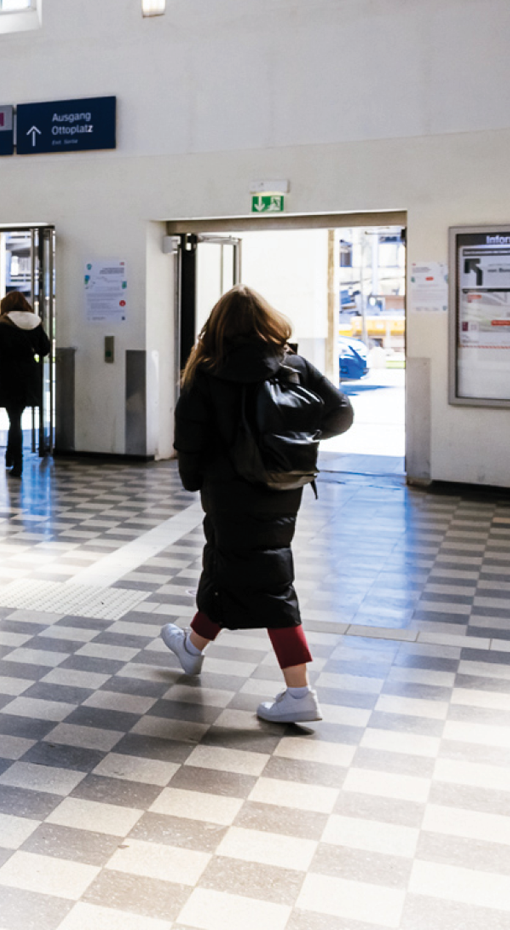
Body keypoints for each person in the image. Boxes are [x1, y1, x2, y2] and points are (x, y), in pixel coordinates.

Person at [158, 285, 353, 724]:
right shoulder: (293, 365)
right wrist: (292, 443)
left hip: (228, 490)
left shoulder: (206, 372)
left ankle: (299, 692)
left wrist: (194, 480)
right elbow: (341, 412)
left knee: (265, 580)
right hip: (284, 488)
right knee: (237, 567)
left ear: (218, 325)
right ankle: (191, 647)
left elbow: (189, 440)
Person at [0, 291, 50, 476]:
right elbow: (44, 349)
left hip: (6, 373)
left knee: (14, 419)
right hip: (28, 373)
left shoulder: (1, 324)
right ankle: (12, 455)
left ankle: (16, 460)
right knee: (16, 418)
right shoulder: (35, 323)